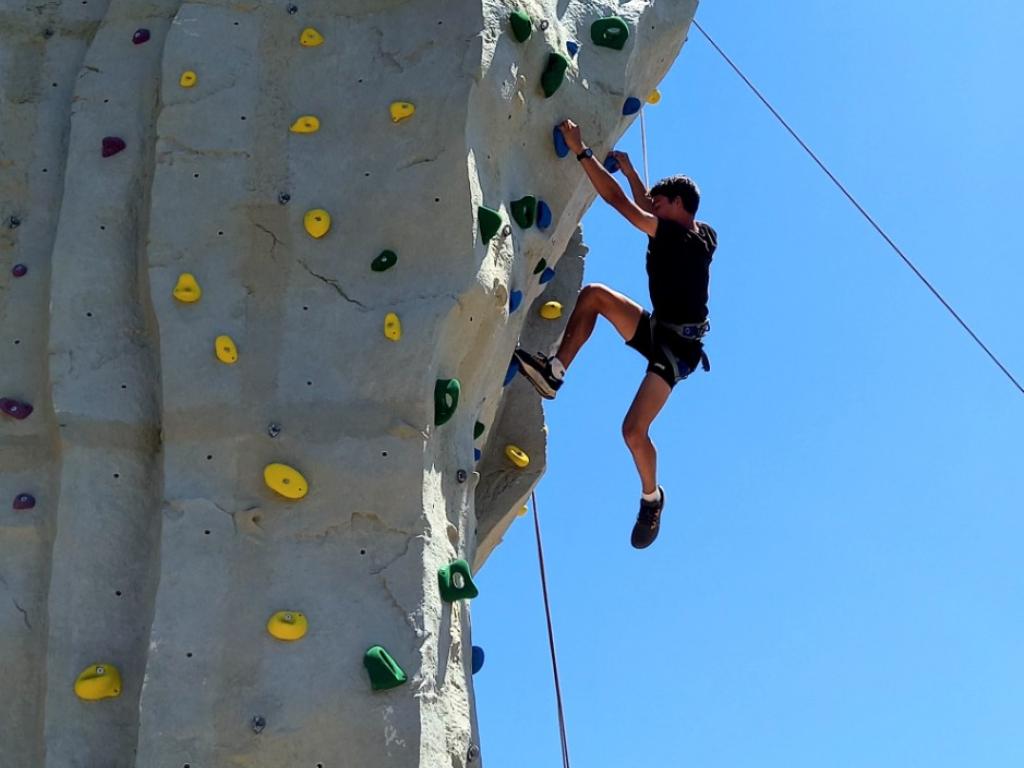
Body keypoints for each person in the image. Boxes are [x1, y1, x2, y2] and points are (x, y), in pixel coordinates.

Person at [515, 119, 717, 549]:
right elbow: (646, 202)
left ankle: (652, 497)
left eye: (660, 204)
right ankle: (555, 371)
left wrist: (581, 149)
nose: (652, 208)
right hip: (658, 326)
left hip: (678, 349)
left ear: (677, 205)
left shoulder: (683, 242)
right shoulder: (701, 232)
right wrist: (629, 170)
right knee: (595, 297)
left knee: (632, 432)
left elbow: (622, 206)